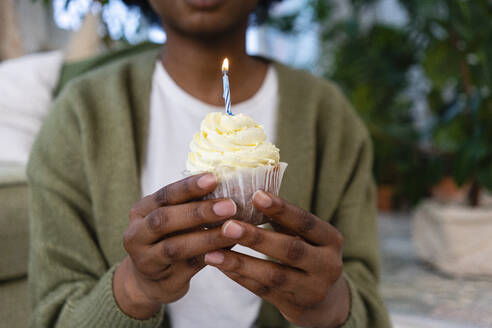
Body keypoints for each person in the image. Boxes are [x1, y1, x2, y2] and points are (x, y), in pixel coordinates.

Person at [27, 1, 391, 327]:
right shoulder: (80, 116)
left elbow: (367, 301)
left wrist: (331, 309)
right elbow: (52, 313)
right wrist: (133, 288)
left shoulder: (329, 118)